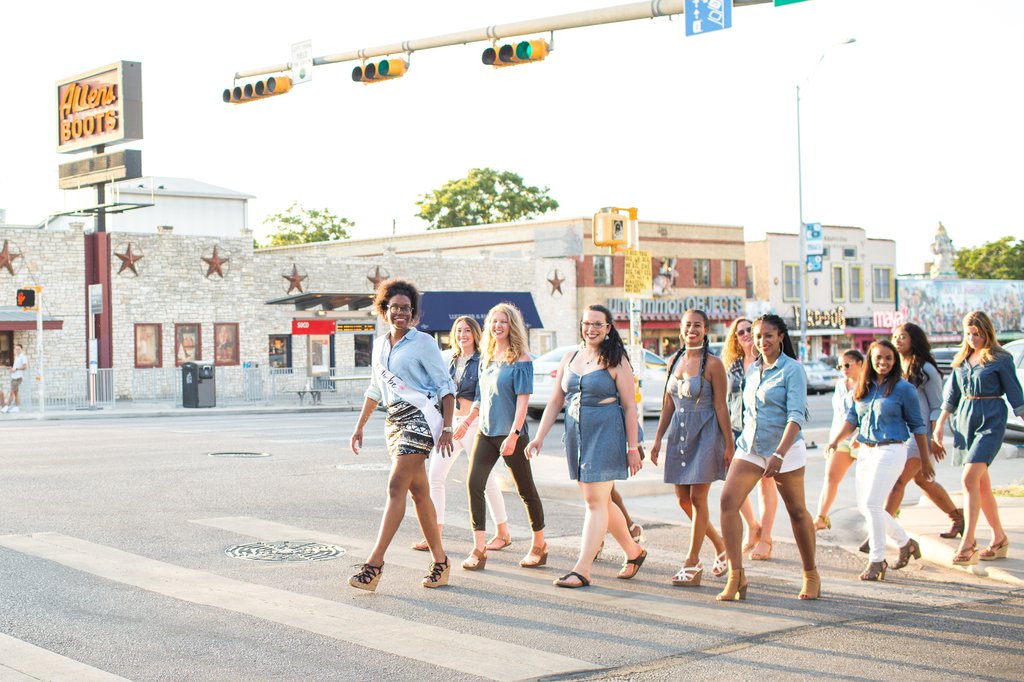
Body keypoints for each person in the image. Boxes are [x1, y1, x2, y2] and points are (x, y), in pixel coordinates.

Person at [526, 305, 646, 587]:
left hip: (606, 432)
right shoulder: (571, 357)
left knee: (594, 502)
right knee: (600, 500)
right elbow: (556, 401)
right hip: (576, 434)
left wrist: (632, 447)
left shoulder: (616, 360)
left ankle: (582, 569)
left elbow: (630, 407)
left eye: (597, 324)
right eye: (586, 323)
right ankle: (634, 551)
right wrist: (539, 437)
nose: (591, 329)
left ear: (608, 328)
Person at [348, 279, 456, 591]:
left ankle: (374, 565)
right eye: (395, 307)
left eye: (406, 309)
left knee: (396, 486)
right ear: (384, 310)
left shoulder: (424, 343)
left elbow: (444, 387)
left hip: (419, 419)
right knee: (419, 493)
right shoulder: (380, 345)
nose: (401, 313)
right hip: (393, 421)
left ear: (413, 313)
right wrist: (359, 426)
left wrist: (447, 428)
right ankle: (441, 561)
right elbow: (374, 389)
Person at [717, 314, 819, 601]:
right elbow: (746, 413)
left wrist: (779, 454)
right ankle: (737, 576)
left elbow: (796, 416)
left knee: (797, 511)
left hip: (784, 449)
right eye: (758, 336)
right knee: (727, 501)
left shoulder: (792, 370)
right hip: (751, 447)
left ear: (781, 337)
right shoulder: (753, 370)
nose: (762, 341)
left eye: (768, 335)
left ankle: (811, 574)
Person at [828, 340, 932, 581]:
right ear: (870, 361)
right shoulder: (863, 387)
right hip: (865, 450)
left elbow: (918, 426)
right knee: (866, 507)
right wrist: (836, 440)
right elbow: (853, 419)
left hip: (892, 450)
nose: (883, 362)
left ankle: (877, 560)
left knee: (873, 504)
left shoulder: (904, 389)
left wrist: (925, 460)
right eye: (878, 358)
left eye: (888, 358)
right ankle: (906, 543)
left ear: (894, 361)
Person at [411, 316, 511, 552]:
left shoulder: (483, 360)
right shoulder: (452, 360)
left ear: (475, 333)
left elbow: (482, 395)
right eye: (458, 331)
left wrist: (467, 421)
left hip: (475, 425)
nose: (462, 335)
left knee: (485, 481)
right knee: (435, 476)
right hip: (452, 425)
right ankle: (434, 533)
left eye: (467, 330)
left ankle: (503, 533)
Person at [650, 310, 733, 587]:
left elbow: (721, 406)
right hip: (679, 434)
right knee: (683, 500)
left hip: (706, 434)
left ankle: (692, 561)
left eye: (697, 325)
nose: (692, 330)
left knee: (699, 499)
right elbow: (668, 403)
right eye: (687, 325)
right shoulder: (674, 360)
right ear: (681, 329)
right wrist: (658, 438)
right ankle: (721, 544)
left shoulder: (713, 364)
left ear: (706, 329)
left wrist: (729, 444)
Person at [933, 311, 1024, 565]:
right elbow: (951, 397)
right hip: (965, 423)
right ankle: (999, 538)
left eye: (978, 334)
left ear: (987, 333)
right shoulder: (961, 360)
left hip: (991, 421)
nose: (973, 338)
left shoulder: (1001, 359)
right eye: (969, 334)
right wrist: (939, 426)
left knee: (969, 478)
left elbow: (1017, 397)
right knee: (981, 485)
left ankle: (969, 541)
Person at [463, 303, 546, 571]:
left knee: (526, 490)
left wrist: (514, 435)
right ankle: (478, 549)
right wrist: (467, 421)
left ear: (512, 325)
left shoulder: (521, 360)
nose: (497, 326)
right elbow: (480, 396)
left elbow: (523, 402)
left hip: (511, 435)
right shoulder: (487, 356)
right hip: (485, 432)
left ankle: (540, 544)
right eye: (494, 321)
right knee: (474, 484)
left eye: (503, 322)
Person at [884, 324, 962, 539]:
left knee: (899, 480)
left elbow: (937, 405)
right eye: (895, 336)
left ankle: (880, 531)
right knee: (923, 481)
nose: (898, 340)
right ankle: (957, 518)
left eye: (903, 337)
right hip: (901, 433)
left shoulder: (926, 369)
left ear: (914, 340)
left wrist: (935, 437)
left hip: (919, 435)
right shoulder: (896, 366)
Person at [723, 317, 780, 561]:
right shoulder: (733, 365)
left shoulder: (768, 362)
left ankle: (765, 538)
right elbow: (726, 401)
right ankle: (752, 525)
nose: (745, 334)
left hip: (766, 432)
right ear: (735, 339)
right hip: (739, 431)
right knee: (736, 484)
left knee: (766, 483)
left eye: (749, 330)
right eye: (740, 332)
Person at [813, 349, 864, 531]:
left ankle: (887, 513)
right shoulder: (840, 385)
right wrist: (833, 439)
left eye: (847, 365)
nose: (843, 369)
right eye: (840, 366)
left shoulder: (868, 384)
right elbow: (838, 415)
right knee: (831, 476)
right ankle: (821, 518)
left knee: (865, 482)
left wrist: (862, 434)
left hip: (863, 439)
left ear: (860, 363)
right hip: (840, 438)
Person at [2, 344, 27, 413]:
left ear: (21, 349)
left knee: (11, 392)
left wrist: (15, 369)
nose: (17, 350)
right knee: (16, 393)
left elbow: (25, 367)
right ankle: (16, 407)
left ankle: (7, 407)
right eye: (16, 349)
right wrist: (12, 369)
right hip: (14, 377)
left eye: (18, 349)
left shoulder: (23, 357)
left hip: (18, 378)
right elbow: (15, 368)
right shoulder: (17, 357)